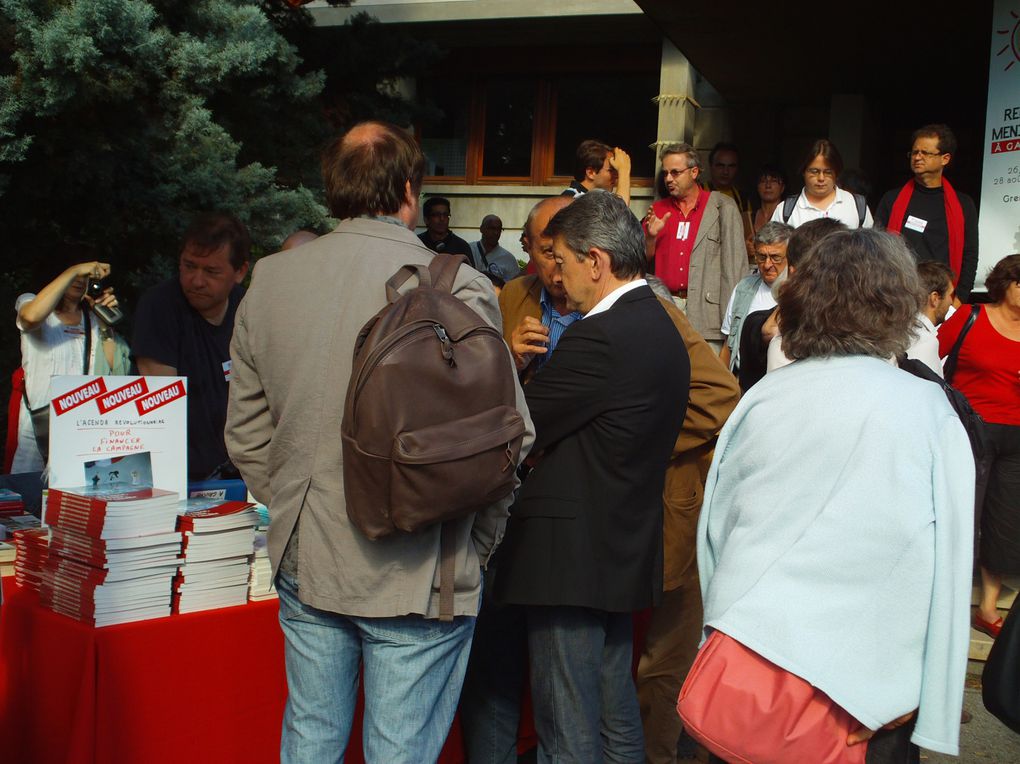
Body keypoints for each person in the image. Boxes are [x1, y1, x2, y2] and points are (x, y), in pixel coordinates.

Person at [225, 121, 531, 763]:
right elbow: (511, 436)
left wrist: (296, 500)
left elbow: (248, 435)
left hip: (310, 553)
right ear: (412, 190)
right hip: (421, 559)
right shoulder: (455, 282)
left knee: (309, 737)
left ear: (332, 189)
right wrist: (475, 541)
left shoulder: (272, 280)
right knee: (400, 751)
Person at [698, 228, 974, 760]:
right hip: (870, 692)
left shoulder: (763, 399)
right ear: (899, 307)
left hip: (757, 672)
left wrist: (716, 642)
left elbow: (717, 535)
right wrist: (923, 700)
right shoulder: (929, 411)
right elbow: (951, 562)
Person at [495, 190, 690, 762]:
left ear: (596, 261)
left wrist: (510, 366)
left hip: (570, 556)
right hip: (616, 544)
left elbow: (517, 423)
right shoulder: (657, 322)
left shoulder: (601, 335)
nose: (554, 275)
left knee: (569, 727)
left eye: (561, 261)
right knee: (612, 713)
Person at [637, 275, 741, 764]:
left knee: (666, 659)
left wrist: (640, 444)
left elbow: (720, 398)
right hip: (636, 527)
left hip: (677, 528)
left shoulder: (676, 342)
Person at [133, 212, 250, 480]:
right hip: (180, 473)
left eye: (211, 271)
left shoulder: (250, 311)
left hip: (241, 471)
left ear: (240, 272)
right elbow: (160, 405)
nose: (196, 280)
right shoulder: (158, 306)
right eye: (188, 266)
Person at [939, 254, 1020, 640]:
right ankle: (948, 601)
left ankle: (987, 607)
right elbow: (926, 357)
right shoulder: (970, 316)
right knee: (962, 513)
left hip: (1017, 437)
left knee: (1005, 520)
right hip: (971, 429)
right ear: (1005, 284)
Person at [12, 249, 129, 472]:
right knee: (29, 497)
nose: (80, 280)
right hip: (37, 428)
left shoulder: (92, 317)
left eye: (85, 276)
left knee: (78, 501)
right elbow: (30, 318)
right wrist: (75, 269)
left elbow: (115, 371)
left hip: (82, 427)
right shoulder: (30, 301)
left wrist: (105, 323)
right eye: (75, 273)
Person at [643, 142, 749, 349]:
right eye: (665, 173)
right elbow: (639, 263)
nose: (668, 179)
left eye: (675, 172)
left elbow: (734, 270)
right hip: (666, 308)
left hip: (707, 314)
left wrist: (732, 326)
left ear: (694, 172)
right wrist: (650, 237)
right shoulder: (657, 209)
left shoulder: (721, 207)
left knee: (705, 378)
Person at [875, 124, 979, 302]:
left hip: (942, 299)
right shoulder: (891, 199)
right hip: (897, 295)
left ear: (945, 159)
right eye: (914, 152)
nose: (917, 157)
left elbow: (970, 254)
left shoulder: (963, 204)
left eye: (925, 153)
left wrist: (960, 296)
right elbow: (875, 248)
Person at [719, 221, 793, 373]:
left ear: (790, 257)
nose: (767, 265)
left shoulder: (800, 292)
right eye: (761, 257)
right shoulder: (744, 288)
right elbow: (728, 345)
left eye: (775, 257)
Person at [772, 138, 874, 229]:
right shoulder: (786, 211)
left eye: (828, 172)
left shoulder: (856, 206)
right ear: (803, 171)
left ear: (837, 172)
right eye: (814, 171)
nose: (821, 178)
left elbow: (872, 248)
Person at [905, 261, 955, 376]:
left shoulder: (901, 329)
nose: (951, 302)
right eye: (950, 295)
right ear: (935, 298)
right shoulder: (924, 341)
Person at [561, 139, 632, 205]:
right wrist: (624, 170)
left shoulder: (597, 198)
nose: (617, 176)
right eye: (610, 170)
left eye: (616, 170)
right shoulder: (572, 199)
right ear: (590, 173)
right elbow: (619, 214)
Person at [470, 214, 522, 285]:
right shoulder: (468, 249)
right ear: (481, 229)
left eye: (499, 229)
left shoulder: (509, 259)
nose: (496, 233)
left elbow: (513, 286)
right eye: (492, 228)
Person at [751, 164, 786, 236]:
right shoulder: (749, 217)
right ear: (757, 187)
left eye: (774, 181)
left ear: (782, 188)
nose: (768, 186)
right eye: (763, 181)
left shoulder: (788, 215)